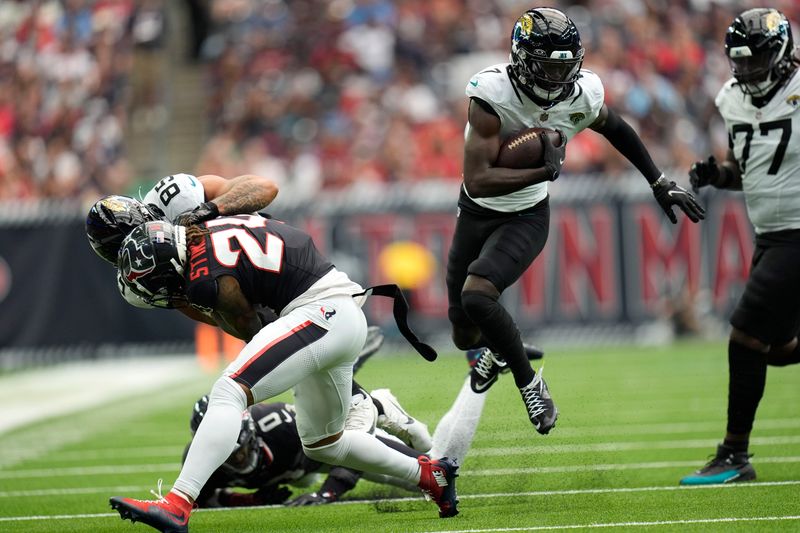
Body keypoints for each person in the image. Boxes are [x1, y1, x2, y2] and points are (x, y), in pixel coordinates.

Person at [446, 7, 705, 435]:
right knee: (463, 332)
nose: (556, 78)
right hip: (477, 209)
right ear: (523, 60)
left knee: (478, 296)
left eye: (564, 67)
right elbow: (478, 179)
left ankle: (531, 384)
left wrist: (659, 181)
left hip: (527, 215)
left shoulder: (581, 93)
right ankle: (496, 352)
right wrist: (543, 169)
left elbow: (615, 127)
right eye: (546, 67)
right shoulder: (491, 94)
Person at [109, 216, 458, 532]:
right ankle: (430, 475)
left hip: (321, 311)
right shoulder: (209, 226)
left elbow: (249, 325)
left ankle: (177, 504)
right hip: (338, 309)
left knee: (230, 391)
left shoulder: (202, 278)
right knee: (324, 443)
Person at [680, 8, 800, 485]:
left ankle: (734, 454)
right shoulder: (731, 98)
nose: (747, 70)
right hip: (769, 234)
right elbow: (743, 168)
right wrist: (717, 176)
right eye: (740, 61)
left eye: (757, 59)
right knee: (775, 348)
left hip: (797, 232)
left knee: (745, 334)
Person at [185, 386, 431, 508]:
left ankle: (381, 406)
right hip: (296, 470)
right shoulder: (200, 461)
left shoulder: (279, 425)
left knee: (424, 471)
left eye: (240, 449)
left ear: (250, 432)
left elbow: (350, 450)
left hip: (321, 443)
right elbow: (204, 501)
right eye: (227, 454)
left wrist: (327, 493)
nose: (238, 458)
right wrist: (249, 499)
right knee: (302, 480)